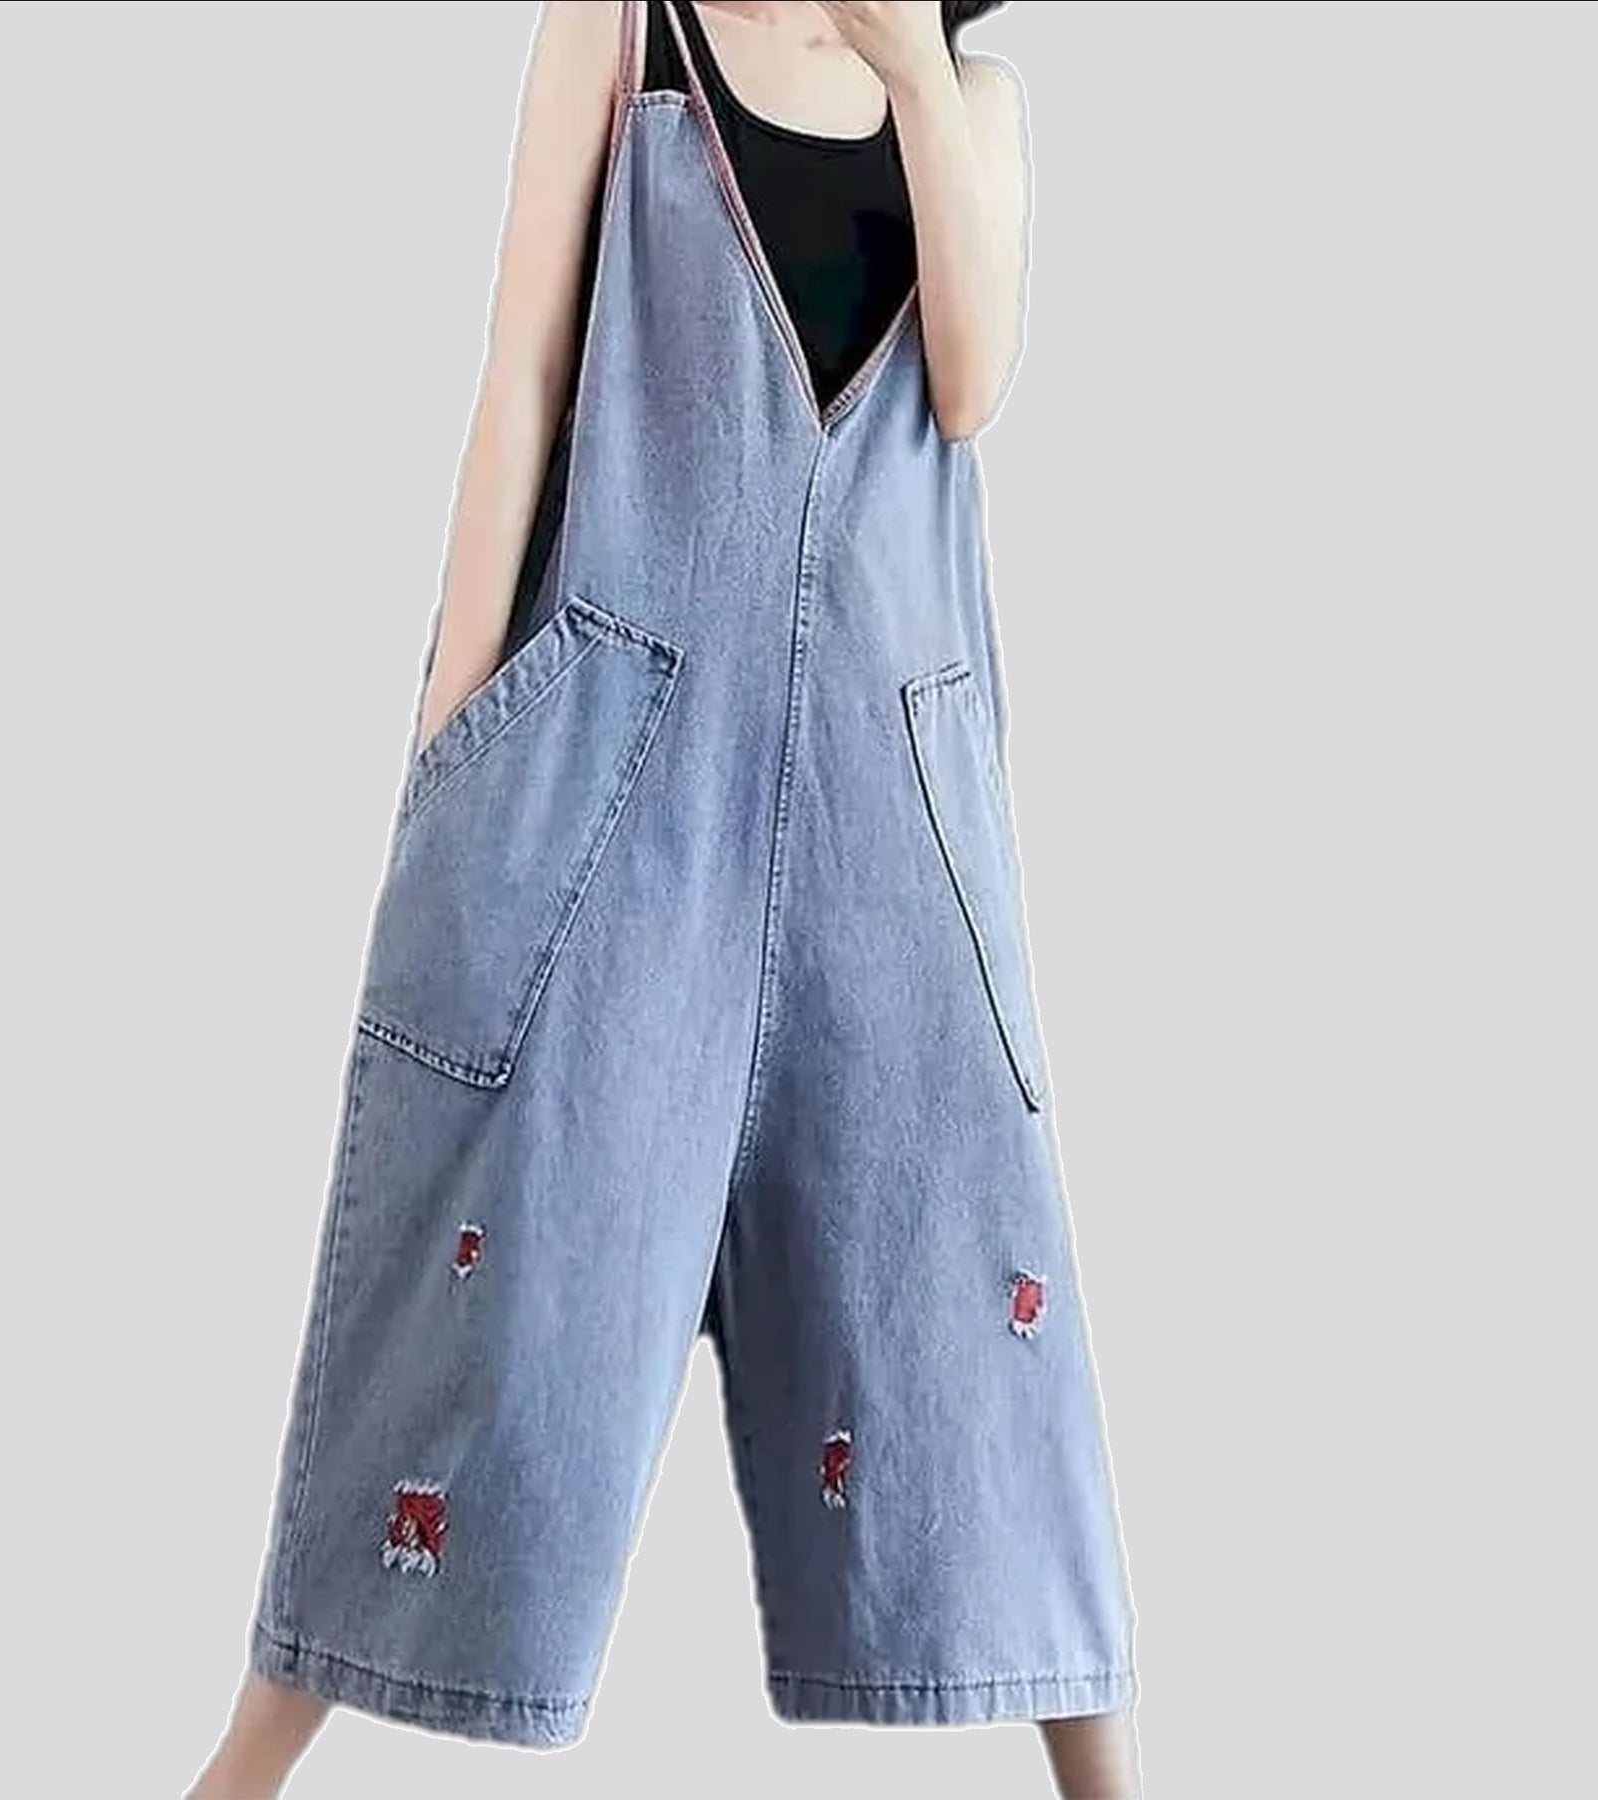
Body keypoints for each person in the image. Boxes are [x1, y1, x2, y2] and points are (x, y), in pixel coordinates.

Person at [191, 6, 1140, 1796]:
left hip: (893, 816)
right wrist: (453, 747)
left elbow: (970, 381)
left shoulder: (979, 106)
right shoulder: (625, 22)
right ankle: (239, 1770)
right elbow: (522, 377)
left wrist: (914, 76)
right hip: (615, 773)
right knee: (492, 1294)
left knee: (979, 1323)